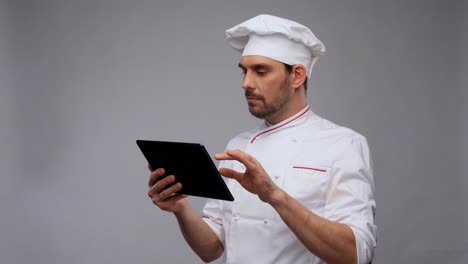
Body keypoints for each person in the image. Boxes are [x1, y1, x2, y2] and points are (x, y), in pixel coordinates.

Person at [147, 14, 377, 264]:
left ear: (297, 76)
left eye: (260, 71)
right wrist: (180, 207)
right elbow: (211, 248)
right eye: (244, 71)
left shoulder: (343, 144)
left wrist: (274, 196)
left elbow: (356, 255)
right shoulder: (238, 146)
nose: (246, 83)